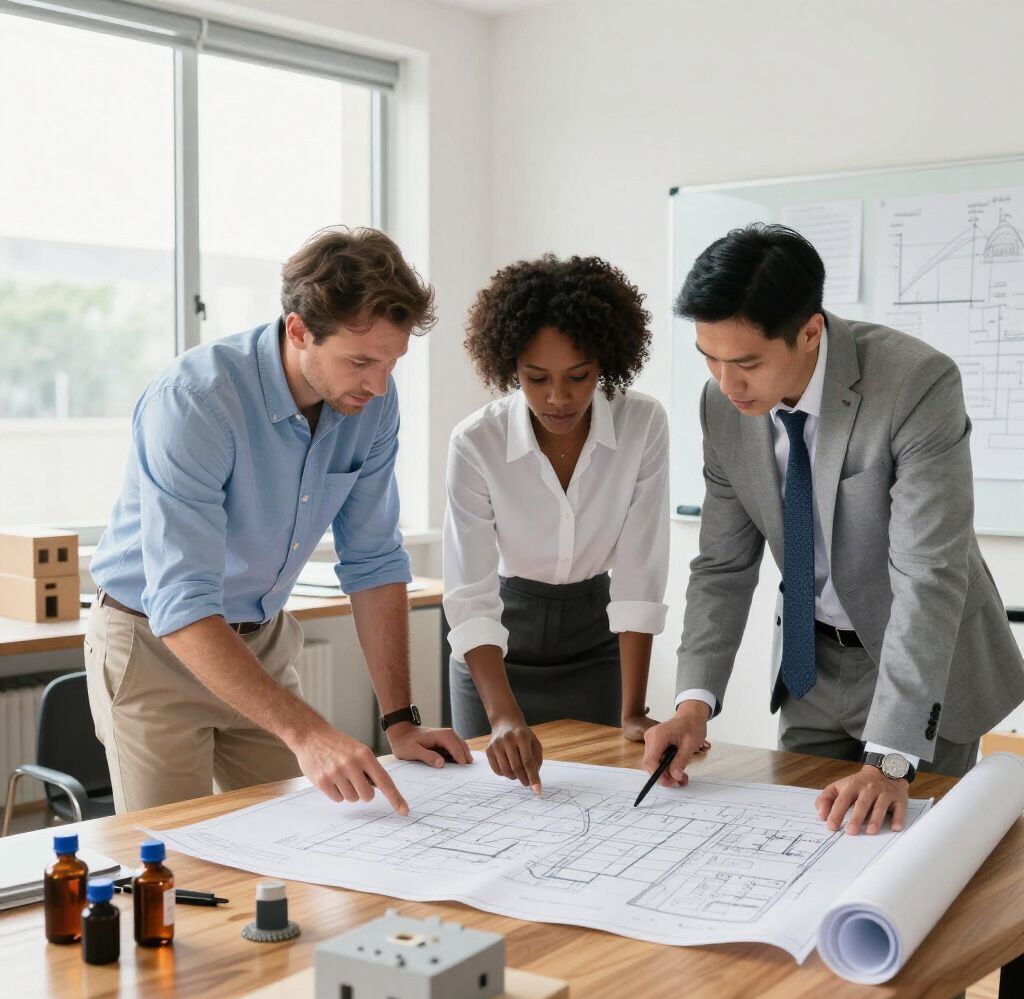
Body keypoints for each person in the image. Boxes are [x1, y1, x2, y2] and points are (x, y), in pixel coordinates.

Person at [643, 222, 1024, 999]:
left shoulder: (915, 383)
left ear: (810, 330)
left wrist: (891, 758)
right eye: (708, 357)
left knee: (913, 895)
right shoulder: (723, 405)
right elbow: (721, 564)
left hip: (926, 670)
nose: (725, 381)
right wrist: (693, 701)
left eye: (745, 361)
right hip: (812, 669)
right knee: (804, 875)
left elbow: (929, 575)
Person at [86, 227, 471, 815]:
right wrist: (309, 733)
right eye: (361, 360)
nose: (379, 383)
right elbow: (183, 601)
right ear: (299, 329)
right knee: (175, 865)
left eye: (392, 362)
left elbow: (373, 561)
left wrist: (400, 723)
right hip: (154, 648)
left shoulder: (371, 402)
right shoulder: (195, 401)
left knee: (295, 844)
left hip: (260, 644)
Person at [443, 254, 706, 792]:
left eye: (578, 376)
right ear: (508, 365)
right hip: (498, 652)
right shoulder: (476, 442)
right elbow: (470, 592)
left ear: (605, 362)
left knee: (600, 807)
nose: (557, 398)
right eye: (536, 378)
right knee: (490, 810)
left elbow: (639, 570)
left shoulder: (643, 424)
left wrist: (633, 710)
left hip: (595, 646)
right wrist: (502, 716)